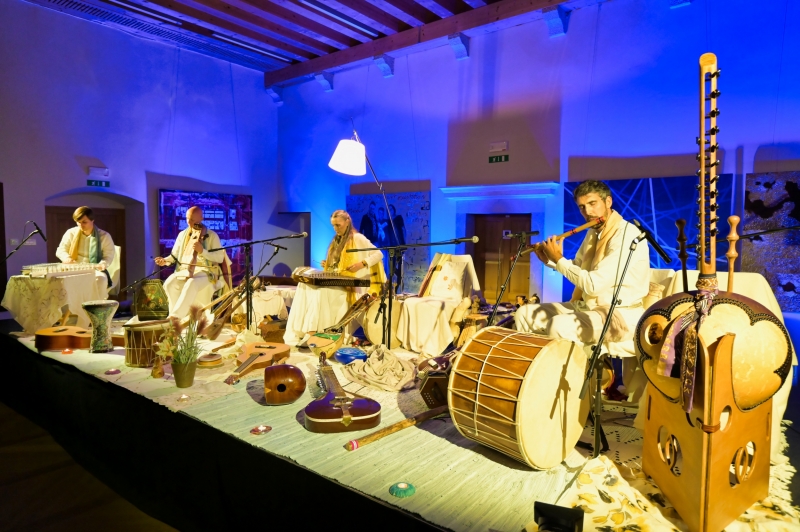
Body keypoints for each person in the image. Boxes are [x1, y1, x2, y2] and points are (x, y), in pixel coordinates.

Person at [515, 180, 651, 397]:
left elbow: (593, 284)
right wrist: (550, 260)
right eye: (582, 207)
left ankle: (566, 393)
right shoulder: (594, 233)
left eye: (593, 204)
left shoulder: (626, 235)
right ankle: (535, 380)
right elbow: (578, 267)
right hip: (591, 308)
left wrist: (559, 260)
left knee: (559, 325)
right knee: (525, 314)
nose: (587, 212)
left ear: (608, 202)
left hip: (621, 314)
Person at [284, 210, 385, 346]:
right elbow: (339, 265)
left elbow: (378, 254)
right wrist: (328, 264)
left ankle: (316, 333)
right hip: (339, 281)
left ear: (347, 222)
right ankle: (302, 331)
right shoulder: (337, 240)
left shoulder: (358, 238)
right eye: (333, 226)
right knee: (304, 286)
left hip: (351, 286)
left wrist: (361, 264)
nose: (335, 228)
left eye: (338, 225)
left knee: (320, 292)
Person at [154, 206, 227, 319]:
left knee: (191, 283)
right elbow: (174, 256)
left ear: (201, 218)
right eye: (187, 218)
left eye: (192, 219)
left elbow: (219, 258)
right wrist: (165, 261)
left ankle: (175, 317)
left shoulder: (212, 235)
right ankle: (175, 318)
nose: (189, 222)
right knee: (169, 284)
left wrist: (202, 251)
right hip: (185, 270)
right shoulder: (182, 234)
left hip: (206, 271)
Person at [56, 206, 116, 286]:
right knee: (59, 281)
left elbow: (108, 256)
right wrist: (67, 258)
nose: (81, 225)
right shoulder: (70, 233)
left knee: (101, 280)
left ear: (92, 220)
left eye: (84, 222)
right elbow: (61, 250)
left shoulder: (104, 236)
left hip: (94, 269)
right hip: (74, 268)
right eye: (78, 222)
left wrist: (102, 264)